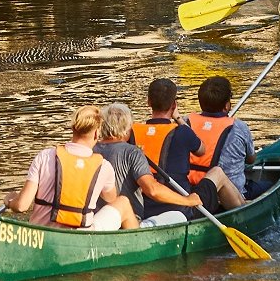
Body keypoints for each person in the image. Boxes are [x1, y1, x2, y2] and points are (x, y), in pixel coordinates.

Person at [9, 106, 136, 230]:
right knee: (123, 202)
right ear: (97, 133)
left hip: (40, 234)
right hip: (80, 237)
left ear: (73, 128)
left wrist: (9, 201)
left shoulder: (45, 156)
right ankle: (141, 247)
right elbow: (111, 199)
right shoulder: (103, 166)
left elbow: (21, 206)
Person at [95, 101, 203, 226]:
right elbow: (152, 190)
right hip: (130, 223)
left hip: (99, 219)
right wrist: (187, 200)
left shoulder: (91, 149)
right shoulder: (133, 152)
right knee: (178, 216)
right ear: (127, 129)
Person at [178, 76, 252, 210]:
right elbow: (251, 159)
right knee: (264, 185)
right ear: (227, 105)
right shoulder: (239, 127)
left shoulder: (185, 122)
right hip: (230, 197)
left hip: (189, 190)